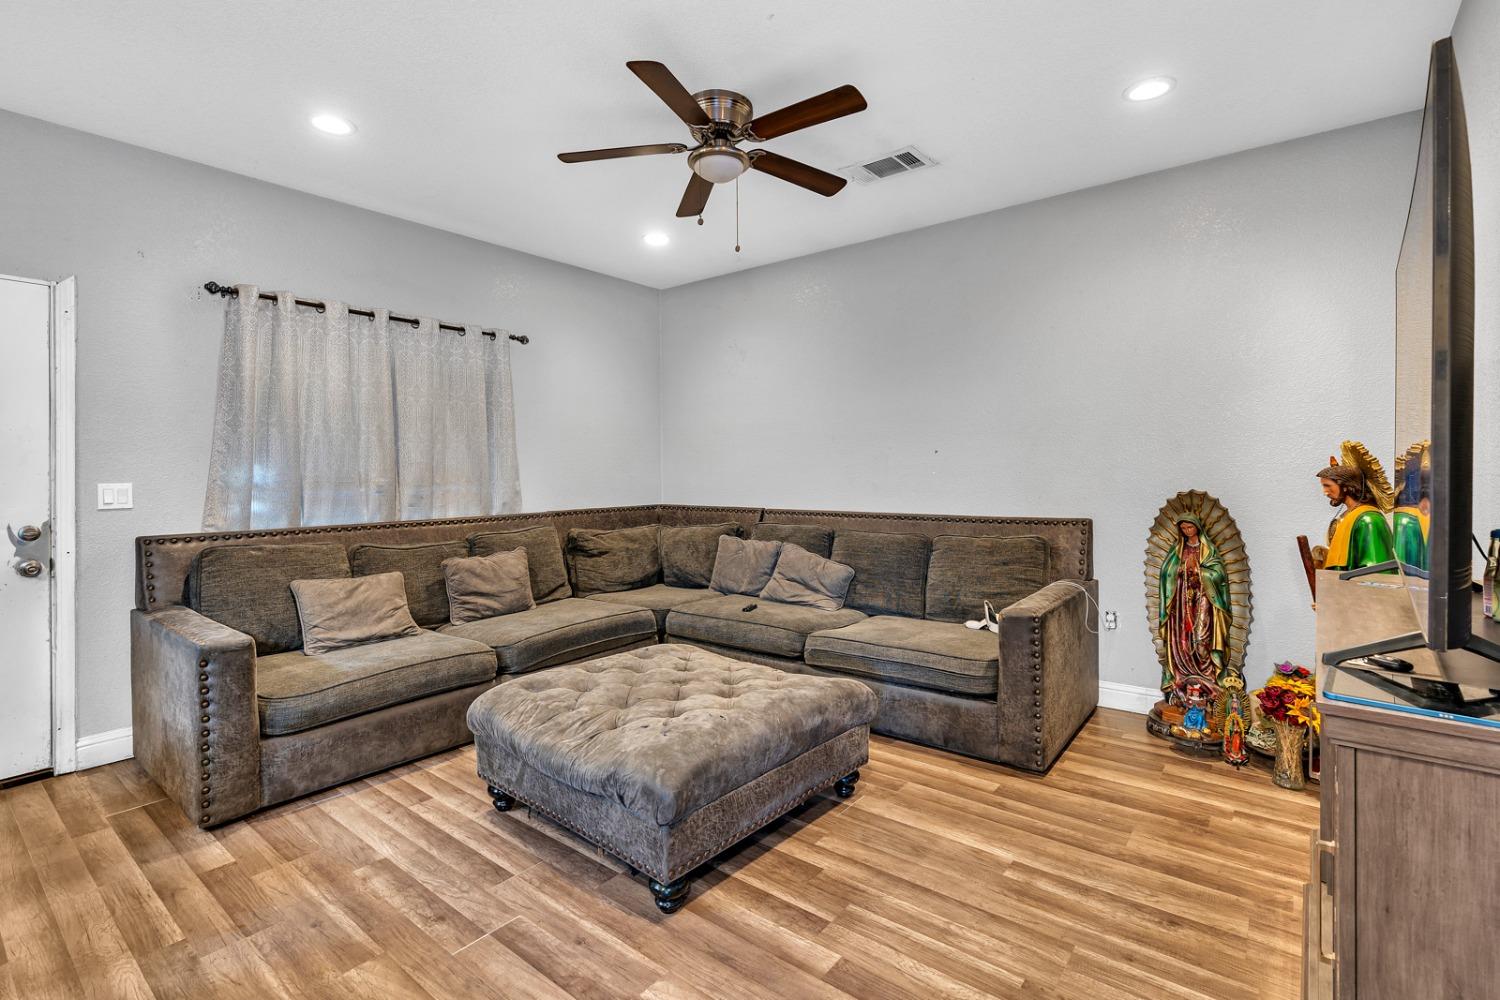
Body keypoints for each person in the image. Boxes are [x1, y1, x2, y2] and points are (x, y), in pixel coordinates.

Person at [1156, 515, 1233, 729]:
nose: (1187, 531)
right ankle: (1182, 679)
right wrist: (1178, 571)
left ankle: (1208, 679)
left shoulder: (1208, 551)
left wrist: (1200, 572)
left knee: (1202, 641)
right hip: (1181, 604)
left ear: (1197, 527)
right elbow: (1166, 573)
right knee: (1181, 641)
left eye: (1190, 527)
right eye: (1184, 528)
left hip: (1203, 600)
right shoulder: (1177, 551)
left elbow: (1219, 575)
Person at [1315, 462, 1396, 571]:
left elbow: (1376, 568)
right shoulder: (1345, 517)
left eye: (1328, 486)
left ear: (1345, 487)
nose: (1325, 492)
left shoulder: (1369, 519)